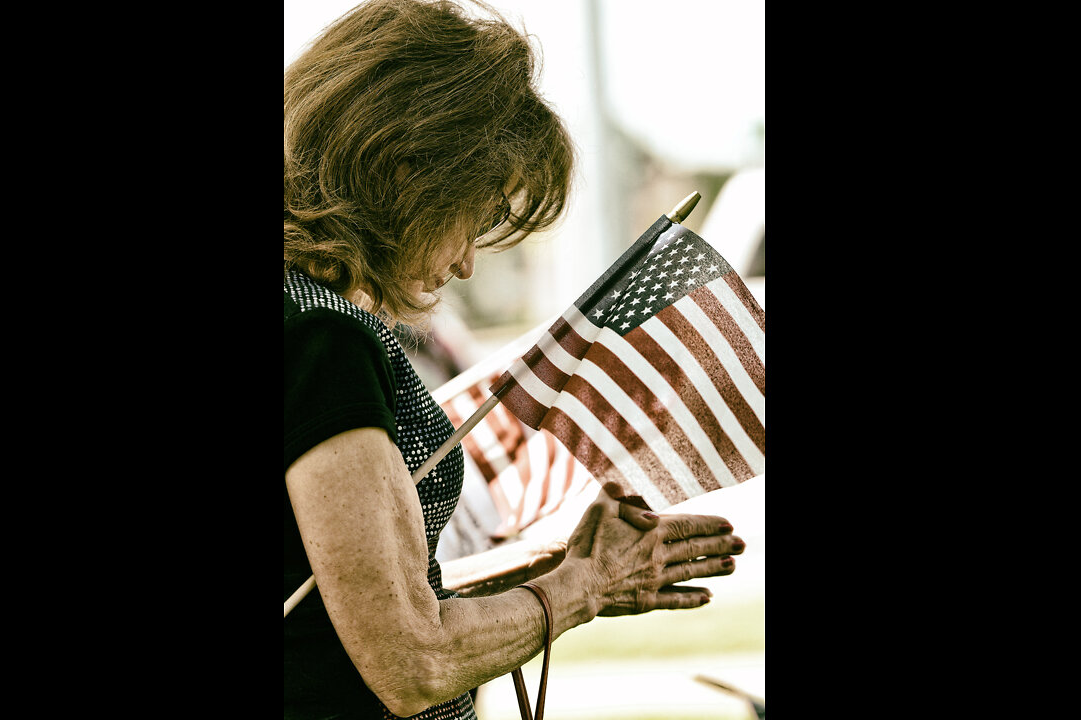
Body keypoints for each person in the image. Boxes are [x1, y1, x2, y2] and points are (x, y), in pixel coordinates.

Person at [283, 2, 745, 718]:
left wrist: (548, 573)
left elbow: (342, 603)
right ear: (408, 167)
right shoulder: (322, 337)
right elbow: (410, 658)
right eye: (480, 211)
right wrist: (584, 588)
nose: (469, 262)